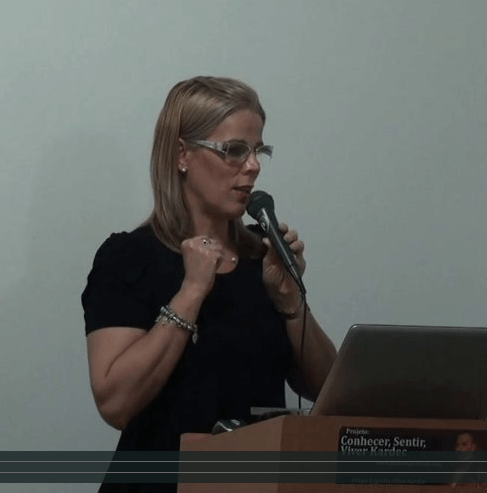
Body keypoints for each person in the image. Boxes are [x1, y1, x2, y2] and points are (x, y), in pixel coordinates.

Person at [81, 76, 338, 492]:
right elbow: (115, 403)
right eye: (234, 150)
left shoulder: (263, 257)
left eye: (258, 151)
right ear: (182, 154)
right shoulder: (129, 257)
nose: (252, 166)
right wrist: (191, 292)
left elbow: (330, 394)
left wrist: (292, 305)